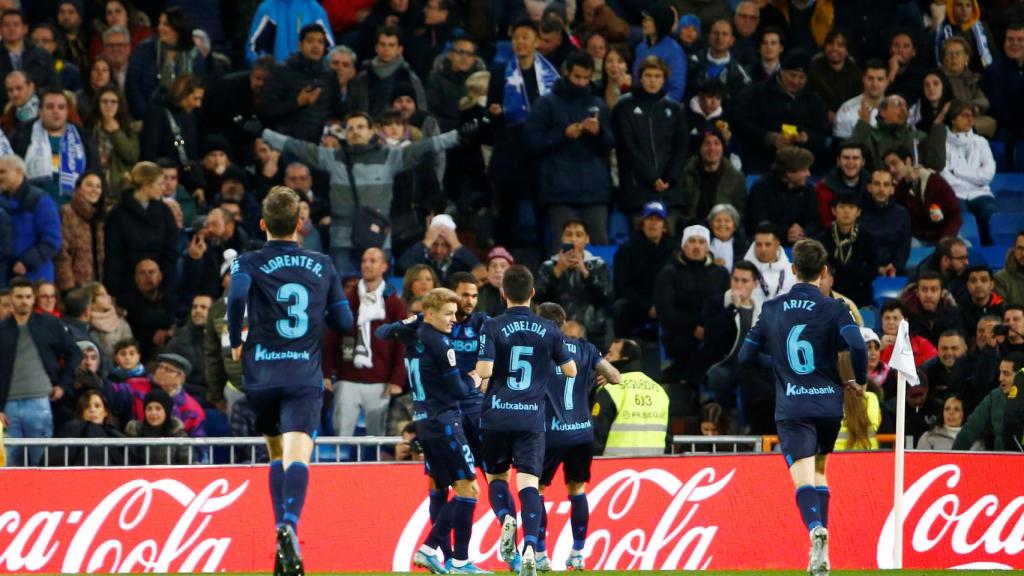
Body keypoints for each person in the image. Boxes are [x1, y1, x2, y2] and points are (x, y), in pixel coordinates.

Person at [227, 186, 352, 575]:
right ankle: (289, 525)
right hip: (303, 375)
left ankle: (279, 538)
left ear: (263, 223)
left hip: (261, 374)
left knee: (276, 455)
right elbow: (345, 323)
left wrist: (235, 340)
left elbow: (235, 299)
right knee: (299, 456)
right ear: (300, 223)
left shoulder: (247, 261)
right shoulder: (322, 263)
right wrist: (323, 315)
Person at [739, 238, 868, 576]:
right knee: (821, 469)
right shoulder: (835, 307)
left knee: (802, 481)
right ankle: (820, 557)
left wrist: (779, 361)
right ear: (823, 271)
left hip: (793, 406)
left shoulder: (770, 309)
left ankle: (814, 529)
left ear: (793, 269)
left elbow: (745, 357)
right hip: (829, 405)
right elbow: (857, 345)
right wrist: (862, 379)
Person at [253, 111, 471, 276]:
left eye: (360, 127)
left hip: (377, 241)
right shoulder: (333, 157)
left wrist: (458, 136)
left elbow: (428, 146)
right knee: (344, 299)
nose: (355, 131)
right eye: (350, 128)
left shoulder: (390, 157)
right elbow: (295, 147)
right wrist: (263, 133)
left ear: (371, 131)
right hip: (341, 242)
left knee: (376, 299)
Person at [475, 265, 577, 576]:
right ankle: (531, 546)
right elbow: (570, 370)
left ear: (503, 292)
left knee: (496, 480)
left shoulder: (491, 326)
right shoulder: (549, 329)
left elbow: (483, 371)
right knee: (530, 485)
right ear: (533, 294)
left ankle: (506, 517)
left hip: (496, 416)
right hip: (531, 420)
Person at [533, 302, 620, 571]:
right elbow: (615, 377)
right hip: (582, 434)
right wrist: (602, 377)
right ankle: (578, 553)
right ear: (562, 322)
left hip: (549, 434)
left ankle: (540, 554)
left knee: (537, 491)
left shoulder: (537, 350)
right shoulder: (585, 347)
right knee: (578, 491)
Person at [525, 50, 614, 247]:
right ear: (566, 72)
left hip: (594, 191)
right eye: (577, 77)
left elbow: (610, 143)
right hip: (559, 190)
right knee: (561, 249)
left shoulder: (598, 104)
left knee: (600, 248)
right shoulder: (545, 104)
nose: (581, 82)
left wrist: (598, 133)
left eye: (586, 78)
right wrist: (563, 135)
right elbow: (532, 141)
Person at [322, 247, 405, 443]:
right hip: (347, 378)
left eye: (373, 261)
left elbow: (401, 345)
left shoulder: (394, 303)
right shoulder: (347, 299)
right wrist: (326, 372)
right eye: (364, 261)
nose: (367, 265)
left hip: (380, 381)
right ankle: (338, 473)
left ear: (384, 266)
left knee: (378, 440)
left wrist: (397, 380)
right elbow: (331, 338)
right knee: (341, 436)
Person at [0, 276, 82, 466]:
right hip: (8, 407)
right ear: (11, 298)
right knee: (10, 466)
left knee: (41, 463)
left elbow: (74, 353)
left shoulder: (49, 323)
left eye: (28, 296)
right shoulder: (2, 330)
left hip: (40, 402)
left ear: (33, 298)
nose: (24, 301)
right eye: (19, 296)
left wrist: (62, 385)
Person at [613, 56, 688, 227]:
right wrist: (652, 177)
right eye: (648, 75)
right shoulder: (625, 106)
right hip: (638, 191)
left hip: (670, 193)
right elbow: (628, 146)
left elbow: (681, 147)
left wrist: (670, 177)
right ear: (640, 77)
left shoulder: (676, 109)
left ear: (664, 79)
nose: (652, 81)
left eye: (657, 76)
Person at [735, 49, 828, 173]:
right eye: (792, 75)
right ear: (781, 71)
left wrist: (806, 137)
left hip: (801, 167)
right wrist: (768, 137)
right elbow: (742, 123)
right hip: (761, 162)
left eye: (801, 77)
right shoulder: (758, 93)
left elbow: (821, 135)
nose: (796, 81)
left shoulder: (814, 100)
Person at [655, 225, 730, 376]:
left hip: (713, 333)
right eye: (692, 241)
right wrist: (694, 327)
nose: (696, 246)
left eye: (702, 242)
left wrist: (708, 328)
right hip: (680, 333)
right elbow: (666, 313)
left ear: (708, 246)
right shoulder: (669, 272)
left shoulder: (721, 273)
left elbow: (727, 307)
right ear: (683, 245)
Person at [103, 161, 178, 300]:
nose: (164, 188)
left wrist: (165, 285)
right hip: (127, 291)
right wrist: (113, 291)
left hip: (160, 291)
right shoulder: (118, 214)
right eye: (159, 183)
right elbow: (113, 256)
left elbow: (171, 250)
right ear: (146, 185)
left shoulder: (164, 212)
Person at [535, 218, 614, 348]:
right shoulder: (548, 266)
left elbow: (607, 298)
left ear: (587, 239)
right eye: (569, 234)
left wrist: (585, 272)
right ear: (562, 238)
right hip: (554, 332)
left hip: (592, 332)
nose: (573, 239)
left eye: (578, 235)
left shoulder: (599, 265)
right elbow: (539, 298)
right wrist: (557, 271)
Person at [12, 88, 99, 205]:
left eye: (61, 107)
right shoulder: (21, 136)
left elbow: (96, 175)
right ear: (40, 111)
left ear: (67, 112)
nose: (56, 111)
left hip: (75, 211)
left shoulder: (84, 139)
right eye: (50, 107)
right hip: (31, 208)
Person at [124, 7, 206, 120]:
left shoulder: (194, 55)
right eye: (159, 23)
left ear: (178, 27)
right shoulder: (144, 50)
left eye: (165, 24)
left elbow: (198, 89)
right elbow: (132, 86)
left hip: (184, 118)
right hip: (149, 116)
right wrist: (147, 115)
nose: (160, 28)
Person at [591, 343, 670, 454]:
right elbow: (667, 437)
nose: (605, 358)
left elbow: (596, 435)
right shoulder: (659, 391)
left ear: (624, 359)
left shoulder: (611, 389)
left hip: (616, 468)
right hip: (654, 467)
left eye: (611, 354)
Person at [612, 201, 675, 338]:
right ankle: (623, 351)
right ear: (642, 223)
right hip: (638, 304)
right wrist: (648, 306)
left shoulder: (675, 250)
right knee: (621, 307)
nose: (653, 223)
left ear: (665, 226)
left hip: (666, 304)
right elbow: (622, 287)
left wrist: (661, 305)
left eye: (658, 219)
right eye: (649, 219)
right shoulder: (626, 250)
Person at [940, 99, 997, 244]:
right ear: (953, 119)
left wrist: (958, 171)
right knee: (957, 216)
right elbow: (945, 176)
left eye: (972, 115)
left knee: (990, 213)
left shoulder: (981, 142)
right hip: (955, 194)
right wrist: (972, 180)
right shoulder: (941, 143)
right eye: (965, 115)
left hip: (981, 193)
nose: (970, 119)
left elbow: (988, 174)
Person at [0, 155, 62, 283]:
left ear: (19, 172)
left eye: (2, 172)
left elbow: (52, 240)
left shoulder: (41, 200)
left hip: (35, 277)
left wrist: (26, 262)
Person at [884, 145, 962, 245]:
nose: (891, 170)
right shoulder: (898, 190)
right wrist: (906, 185)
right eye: (888, 167)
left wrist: (946, 238)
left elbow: (955, 214)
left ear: (908, 161)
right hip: (918, 238)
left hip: (944, 234)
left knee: (963, 249)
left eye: (894, 164)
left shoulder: (935, 182)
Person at [744, 147, 820, 246]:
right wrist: (785, 233)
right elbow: (758, 223)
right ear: (789, 173)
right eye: (804, 170)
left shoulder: (808, 189)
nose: (808, 174)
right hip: (767, 245)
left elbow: (814, 221)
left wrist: (803, 232)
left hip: (801, 244)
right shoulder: (761, 189)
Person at [348, 26, 427, 119]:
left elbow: (422, 111)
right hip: (368, 130)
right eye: (382, 44)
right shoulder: (362, 78)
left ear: (399, 49)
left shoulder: (410, 78)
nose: (386, 49)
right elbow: (352, 110)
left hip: (402, 130)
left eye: (391, 45)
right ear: (376, 47)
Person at [818, 192, 878, 308]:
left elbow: (872, 271)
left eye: (851, 207)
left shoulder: (868, 239)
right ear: (834, 211)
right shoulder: (822, 240)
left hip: (861, 295)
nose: (846, 211)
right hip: (830, 295)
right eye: (842, 207)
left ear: (858, 212)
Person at [954, 354, 1020, 450]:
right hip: (1002, 462)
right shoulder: (995, 397)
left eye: (1006, 374)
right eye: (1000, 373)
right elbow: (970, 430)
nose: (1000, 378)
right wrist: (954, 457)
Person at [395, 214, 480, 285]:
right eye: (434, 244)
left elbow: (480, 273)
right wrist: (426, 242)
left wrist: (457, 245)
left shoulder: (459, 262)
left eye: (445, 245)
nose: (438, 251)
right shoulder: (420, 258)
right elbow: (401, 267)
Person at [49, 388, 125, 467]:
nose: (92, 410)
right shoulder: (71, 429)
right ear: (81, 412)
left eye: (97, 406)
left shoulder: (114, 433)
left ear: (105, 412)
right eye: (87, 406)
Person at [0, 9, 57, 112]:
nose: (11, 28)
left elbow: (54, 86)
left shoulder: (42, 55)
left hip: (39, 112)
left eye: (16, 24)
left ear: (25, 29)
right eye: (6, 25)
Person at [246, 0, 335, 64]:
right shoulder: (267, 9)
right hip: (276, 80)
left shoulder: (315, 9)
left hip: (310, 78)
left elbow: (329, 49)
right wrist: (268, 72)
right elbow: (253, 49)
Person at [859, 169, 912, 276]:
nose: (881, 189)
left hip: (893, 271)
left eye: (886, 185)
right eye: (877, 184)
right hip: (863, 271)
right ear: (869, 188)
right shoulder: (858, 213)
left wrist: (895, 266)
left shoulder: (902, 214)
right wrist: (875, 269)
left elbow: (904, 247)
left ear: (892, 189)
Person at [983, 22, 1024, 155]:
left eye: (1020, 40)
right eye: (1010, 39)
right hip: (1006, 129)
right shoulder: (994, 70)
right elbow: (998, 108)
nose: (1015, 44)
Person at [686, 19, 751, 102]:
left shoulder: (740, 74)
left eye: (724, 34)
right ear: (709, 37)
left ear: (732, 40)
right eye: (716, 33)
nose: (719, 38)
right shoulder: (692, 63)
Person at [633, 4, 686, 101]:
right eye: (644, 19)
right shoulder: (640, 48)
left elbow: (676, 90)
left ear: (659, 23)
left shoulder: (674, 50)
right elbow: (636, 80)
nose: (644, 22)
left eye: (649, 20)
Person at [808, 30, 863, 124]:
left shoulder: (856, 73)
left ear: (847, 51)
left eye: (840, 45)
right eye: (830, 43)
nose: (834, 48)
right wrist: (825, 112)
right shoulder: (813, 69)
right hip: (819, 122)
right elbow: (809, 98)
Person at [123, 387, 190, 464]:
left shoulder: (179, 436)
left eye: (158, 409)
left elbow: (186, 467)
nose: (153, 413)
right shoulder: (135, 433)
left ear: (167, 411)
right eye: (149, 409)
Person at [813, 142, 870, 228]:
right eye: (846, 158)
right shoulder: (823, 187)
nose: (850, 162)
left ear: (863, 162)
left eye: (855, 158)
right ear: (838, 161)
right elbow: (825, 221)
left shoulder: (874, 185)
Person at [834, 60, 891, 140]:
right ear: (863, 79)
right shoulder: (846, 110)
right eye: (870, 78)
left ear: (887, 82)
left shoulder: (896, 110)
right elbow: (842, 146)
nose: (874, 84)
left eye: (880, 79)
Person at [744, 222, 796, 303]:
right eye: (759, 244)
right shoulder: (743, 271)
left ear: (777, 243)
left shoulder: (792, 272)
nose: (763, 249)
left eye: (768, 244)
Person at [478, 247, 512, 318]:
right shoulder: (479, 294)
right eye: (494, 266)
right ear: (487, 271)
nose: (498, 270)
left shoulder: (520, 293)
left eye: (503, 266)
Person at [995, 232, 1024, 307]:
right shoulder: (1000, 278)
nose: (1023, 253)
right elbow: (1003, 310)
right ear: (1014, 250)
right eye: (1020, 248)